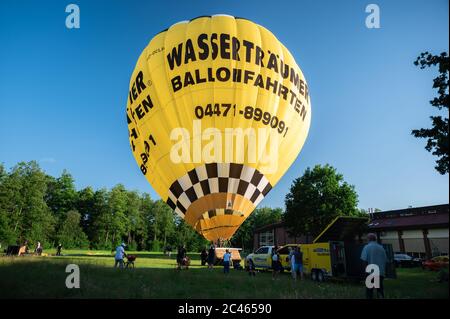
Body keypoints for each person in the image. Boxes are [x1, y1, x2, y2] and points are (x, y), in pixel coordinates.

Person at [360, 233, 387, 299]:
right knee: (380, 289)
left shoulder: (367, 247)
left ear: (369, 239)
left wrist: (366, 271)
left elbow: (364, 260)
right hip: (380, 272)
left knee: (369, 291)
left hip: (370, 272)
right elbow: (385, 260)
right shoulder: (381, 248)